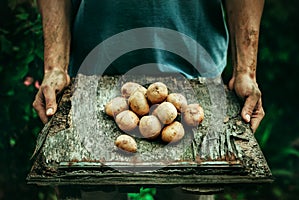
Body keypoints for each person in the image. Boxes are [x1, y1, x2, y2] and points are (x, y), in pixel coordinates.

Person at [32, 0, 265, 199]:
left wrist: (246, 70)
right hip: (92, 74)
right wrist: (54, 66)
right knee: (91, 184)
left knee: (195, 186)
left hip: (198, 78)